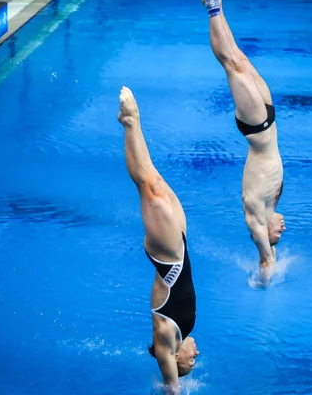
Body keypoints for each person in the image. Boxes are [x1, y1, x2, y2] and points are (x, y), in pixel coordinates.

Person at [117, 86, 199, 393]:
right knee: (155, 180)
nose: (196, 355)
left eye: (190, 362)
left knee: (147, 186)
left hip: (169, 259)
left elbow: (171, 387)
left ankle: (130, 122)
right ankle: (131, 122)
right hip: (179, 247)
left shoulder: (166, 340)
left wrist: (173, 384)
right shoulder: (184, 330)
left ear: (175, 360)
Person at [203, 0, 286, 285]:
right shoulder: (272, 205)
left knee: (231, 65)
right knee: (240, 58)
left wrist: (265, 280)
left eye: (277, 236)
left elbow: (265, 260)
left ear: (265, 235)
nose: (284, 230)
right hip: (268, 120)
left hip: (255, 127)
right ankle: (215, 6)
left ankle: (213, 10)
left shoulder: (256, 220)